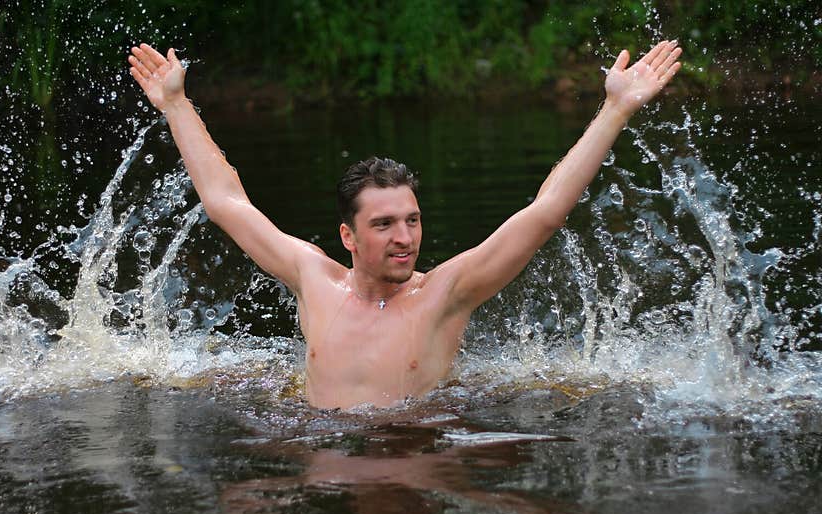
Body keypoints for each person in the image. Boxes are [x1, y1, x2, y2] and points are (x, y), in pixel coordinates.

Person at [128, 40, 682, 409]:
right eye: (385, 223)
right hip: (323, 452)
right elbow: (227, 203)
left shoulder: (446, 294)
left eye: (413, 220)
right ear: (348, 236)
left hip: (414, 450)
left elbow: (544, 213)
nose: (405, 238)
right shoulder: (313, 278)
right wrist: (176, 104)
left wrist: (615, 110)